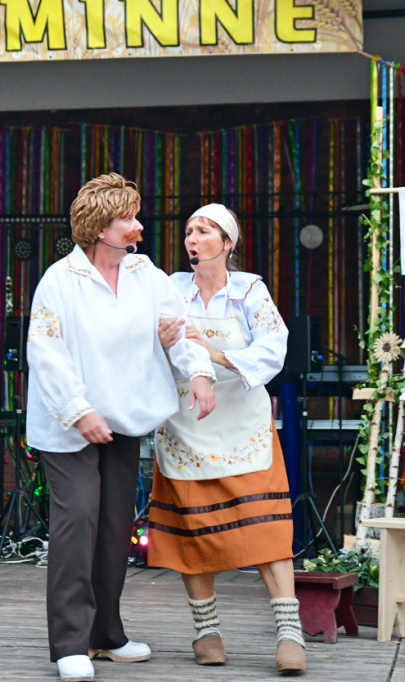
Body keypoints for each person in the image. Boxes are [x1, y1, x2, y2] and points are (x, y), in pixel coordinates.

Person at [26, 173, 217, 682]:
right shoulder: (59, 280)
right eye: (126, 219)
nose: (137, 227)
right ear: (97, 228)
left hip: (123, 419)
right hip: (69, 427)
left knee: (114, 529)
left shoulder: (146, 275)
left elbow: (176, 332)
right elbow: (46, 353)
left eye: (134, 216)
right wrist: (77, 410)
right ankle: (69, 642)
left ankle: (105, 634)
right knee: (78, 522)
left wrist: (197, 373)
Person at [152, 204, 305, 674]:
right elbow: (150, 343)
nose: (192, 239)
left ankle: (289, 632)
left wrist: (216, 354)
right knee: (194, 531)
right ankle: (207, 631)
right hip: (186, 427)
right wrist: (158, 339)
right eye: (189, 231)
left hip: (243, 426)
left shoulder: (249, 291)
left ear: (228, 242)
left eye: (204, 231)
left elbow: (274, 348)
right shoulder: (170, 289)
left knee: (268, 530)